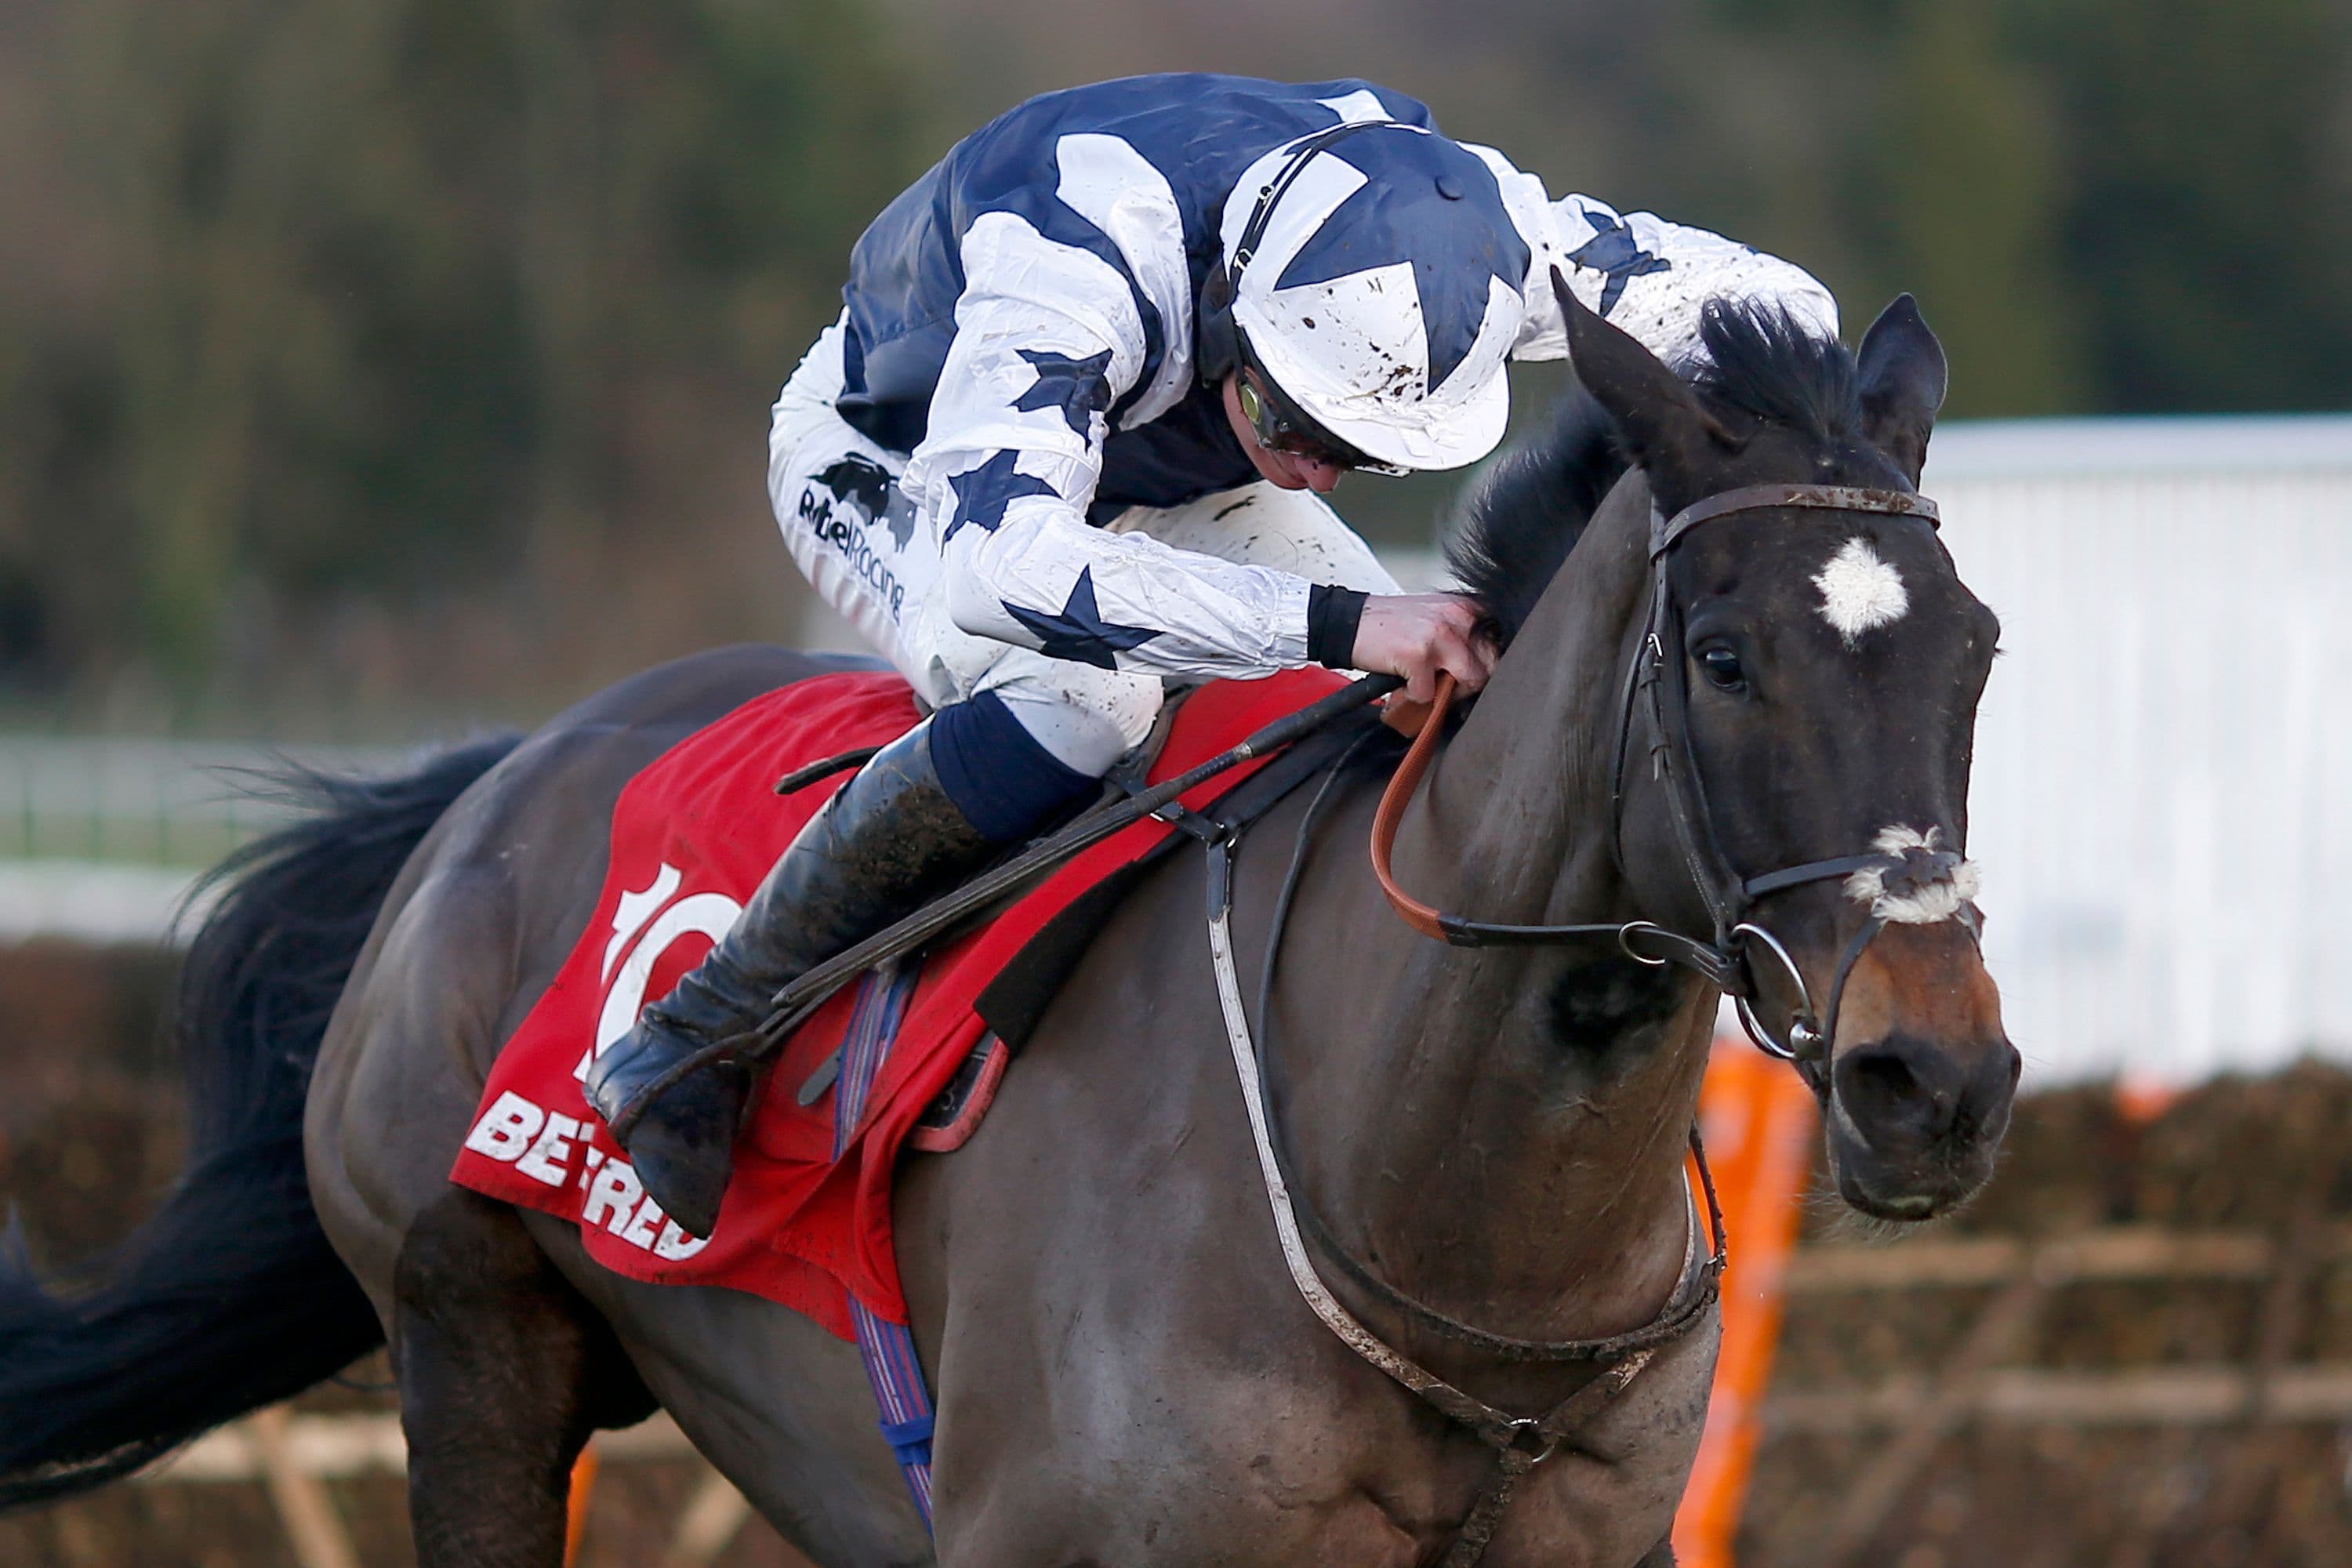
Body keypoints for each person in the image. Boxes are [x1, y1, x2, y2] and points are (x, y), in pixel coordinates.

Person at [586, 73, 1838, 1235]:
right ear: (1242, 305)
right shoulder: (1075, 255)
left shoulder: (1486, 230)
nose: (1317, 472)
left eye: (1361, 450)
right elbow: (1000, 569)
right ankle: (702, 1030)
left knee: (1433, 697)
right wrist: (1346, 625)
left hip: (1160, 464)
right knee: (1088, 701)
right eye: (1295, 421)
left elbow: (1792, 313)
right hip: (914, 466)